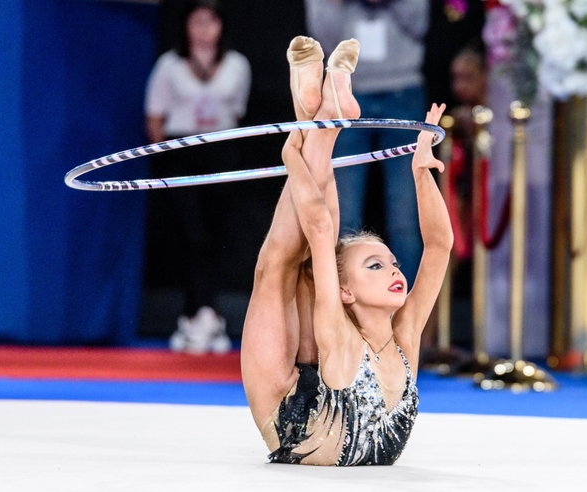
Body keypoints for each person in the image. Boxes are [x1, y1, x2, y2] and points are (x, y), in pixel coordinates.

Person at [240, 35, 452, 466]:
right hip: (300, 405)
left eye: (390, 263)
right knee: (287, 265)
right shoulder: (372, 332)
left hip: (284, 420)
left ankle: (322, 115)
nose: (396, 271)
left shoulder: (404, 336)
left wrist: (421, 169)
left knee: (279, 265)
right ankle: (323, 115)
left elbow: (437, 246)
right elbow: (321, 226)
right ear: (345, 291)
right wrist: (295, 154)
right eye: (377, 265)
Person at [143, 0, 251, 342]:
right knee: (192, 235)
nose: (204, 29)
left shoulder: (236, 65)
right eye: (197, 21)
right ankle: (194, 313)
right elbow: (155, 117)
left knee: (217, 235)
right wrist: (169, 157)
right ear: (186, 26)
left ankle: (209, 313)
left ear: (222, 26)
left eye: (211, 21)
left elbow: (237, 114)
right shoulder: (170, 65)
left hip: (220, 151)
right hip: (181, 151)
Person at [305, 0, 430, 286]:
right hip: (348, 91)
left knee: (405, 219)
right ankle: (344, 314)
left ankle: (409, 319)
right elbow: (322, 36)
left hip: (403, 92)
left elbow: (418, 22)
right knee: (343, 215)